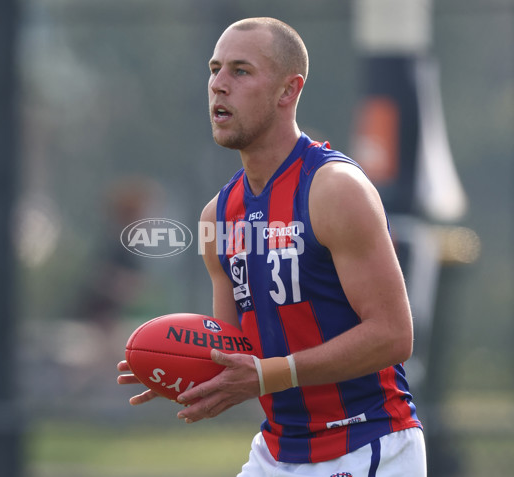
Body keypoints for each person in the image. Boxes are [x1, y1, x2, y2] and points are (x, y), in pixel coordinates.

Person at [118, 17, 426, 476]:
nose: (219, 85)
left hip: (366, 442)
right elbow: (229, 349)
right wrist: (181, 370)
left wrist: (266, 376)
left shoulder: (335, 189)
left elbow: (393, 336)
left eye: (240, 71)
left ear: (288, 91)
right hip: (277, 452)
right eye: (214, 68)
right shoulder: (214, 218)